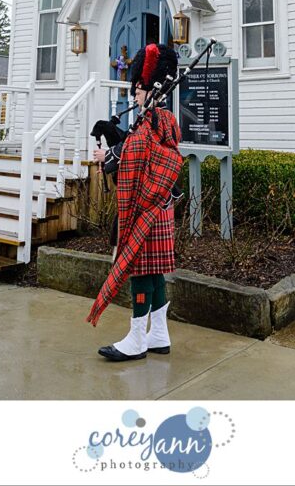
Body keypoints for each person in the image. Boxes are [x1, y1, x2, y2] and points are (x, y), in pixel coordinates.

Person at [86, 43, 183, 362]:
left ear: (150, 88)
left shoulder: (151, 122)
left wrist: (108, 155)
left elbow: (137, 154)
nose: (135, 95)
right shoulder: (162, 120)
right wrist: (116, 138)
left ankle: (137, 338)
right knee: (154, 272)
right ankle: (158, 334)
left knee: (141, 272)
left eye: (139, 89)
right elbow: (138, 148)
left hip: (146, 209)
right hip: (160, 207)